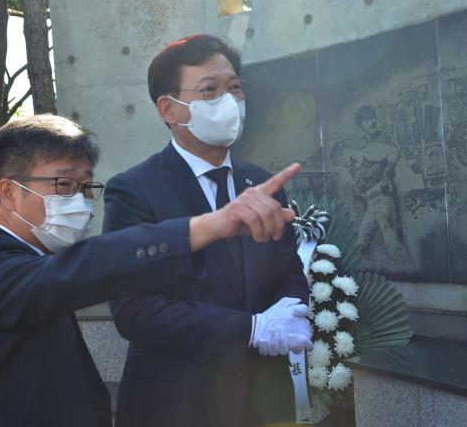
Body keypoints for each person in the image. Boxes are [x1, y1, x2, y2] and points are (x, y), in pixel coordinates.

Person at [0, 114, 307, 427]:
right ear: (9, 193)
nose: (80, 201)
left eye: (86, 188)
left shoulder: (34, 260)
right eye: (65, 185)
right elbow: (86, 265)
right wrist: (208, 226)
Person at [103, 35, 311, 427]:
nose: (228, 101)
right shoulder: (133, 191)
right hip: (176, 405)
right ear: (169, 108)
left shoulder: (262, 182)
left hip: (262, 400)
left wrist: (289, 311)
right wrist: (250, 329)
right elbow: (134, 310)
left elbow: (289, 269)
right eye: (210, 90)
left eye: (234, 87)